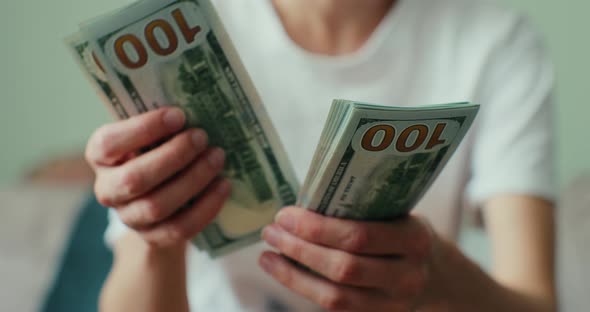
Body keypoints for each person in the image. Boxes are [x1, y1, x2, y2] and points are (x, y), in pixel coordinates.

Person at [87, 0, 556, 311]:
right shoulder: (182, 27)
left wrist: (435, 271)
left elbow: (537, 300)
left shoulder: (495, 42)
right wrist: (156, 237)